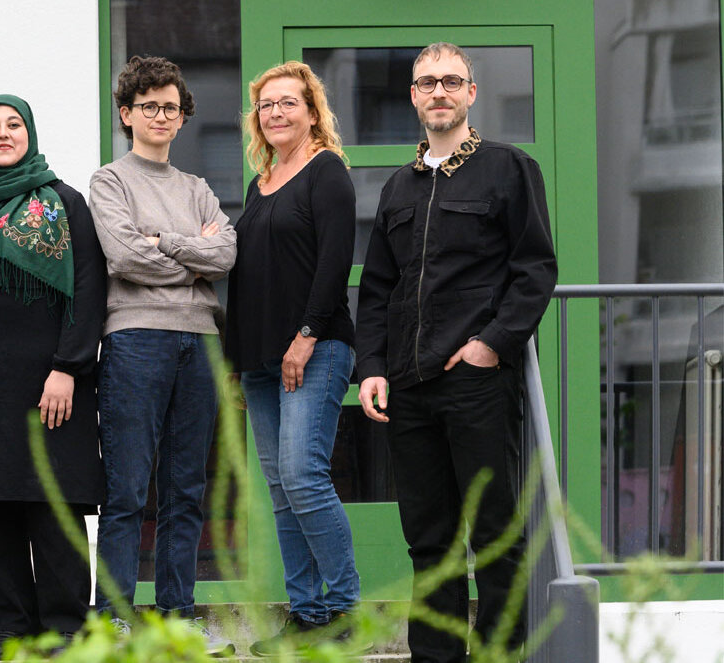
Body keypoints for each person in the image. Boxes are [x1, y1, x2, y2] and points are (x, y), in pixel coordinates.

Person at [356, 43, 558, 663]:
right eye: (425, 83)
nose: (437, 92)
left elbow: (535, 269)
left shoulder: (508, 169)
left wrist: (491, 346)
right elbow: (378, 290)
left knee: (495, 535)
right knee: (429, 542)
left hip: (477, 384)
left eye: (450, 81)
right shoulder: (398, 186)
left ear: (470, 92)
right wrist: (371, 368)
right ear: (414, 97)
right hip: (410, 389)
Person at [0, 94, 107, 661]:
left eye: (14, 125)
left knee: (52, 502)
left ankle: (64, 629)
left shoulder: (64, 203)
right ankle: (12, 629)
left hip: (50, 383)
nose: (3, 134)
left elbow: (88, 288)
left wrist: (68, 367)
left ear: (30, 134)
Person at [89, 55, 238, 656]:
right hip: (134, 339)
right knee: (126, 489)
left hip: (199, 344)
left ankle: (178, 614)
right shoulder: (109, 181)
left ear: (182, 118)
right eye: (147, 106)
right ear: (126, 114)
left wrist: (163, 243)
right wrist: (190, 257)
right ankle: (115, 619)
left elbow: (225, 257)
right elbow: (124, 258)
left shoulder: (198, 188)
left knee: (186, 490)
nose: (160, 116)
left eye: (170, 107)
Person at [225, 61, 363, 656]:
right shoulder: (261, 184)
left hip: (316, 348)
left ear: (312, 112)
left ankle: (346, 608)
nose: (276, 112)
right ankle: (306, 614)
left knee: (304, 478)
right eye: (266, 105)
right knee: (281, 488)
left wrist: (305, 336)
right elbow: (248, 276)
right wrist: (239, 358)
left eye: (288, 103)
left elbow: (335, 265)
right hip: (260, 359)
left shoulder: (326, 172)